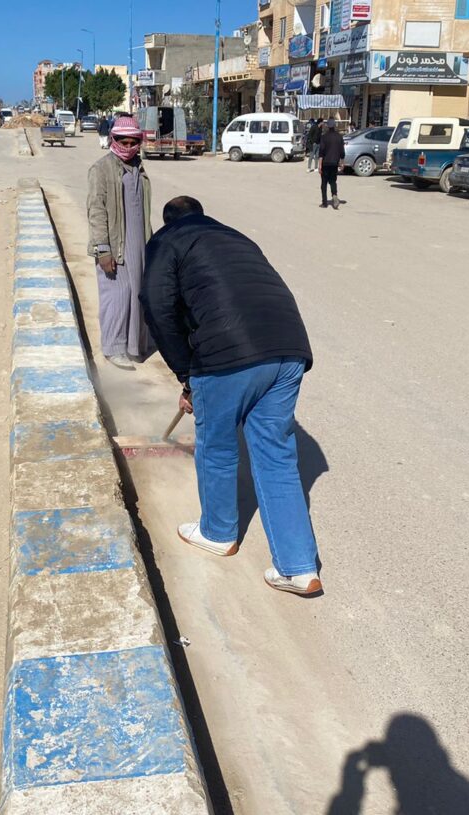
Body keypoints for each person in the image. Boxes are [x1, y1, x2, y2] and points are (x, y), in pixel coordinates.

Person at [140, 196, 322, 597]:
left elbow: (157, 306)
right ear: (201, 215)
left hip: (230, 354)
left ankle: (218, 532)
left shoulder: (168, 240)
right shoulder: (235, 237)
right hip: (289, 348)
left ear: (168, 221)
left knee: (218, 447)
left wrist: (188, 376)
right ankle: (299, 567)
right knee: (276, 457)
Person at [86, 116, 154, 370]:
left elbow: (142, 210)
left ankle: (135, 344)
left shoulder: (138, 168)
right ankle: (114, 348)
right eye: (122, 141)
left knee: (137, 294)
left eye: (132, 142)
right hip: (115, 245)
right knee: (116, 296)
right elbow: (96, 211)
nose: (127, 146)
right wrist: (103, 249)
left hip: (139, 244)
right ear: (113, 140)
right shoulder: (101, 169)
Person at [319, 118, 345, 209]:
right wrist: (342, 163)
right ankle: (334, 195)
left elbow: (321, 152)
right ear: (334, 125)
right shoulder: (339, 137)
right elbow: (342, 152)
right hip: (335, 163)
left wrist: (319, 165)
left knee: (324, 183)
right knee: (333, 181)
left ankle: (324, 203)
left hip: (325, 163)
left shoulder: (324, 137)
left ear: (327, 126)